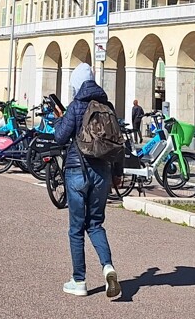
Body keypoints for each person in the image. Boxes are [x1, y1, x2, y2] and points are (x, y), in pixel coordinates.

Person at [51, 62, 121, 299]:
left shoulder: (76, 105)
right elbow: (118, 143)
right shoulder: (107, 106)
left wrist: (59, 120)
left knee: (76, 228)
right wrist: (117, 174)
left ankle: (79, 280)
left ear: (76, 83)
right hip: (102, 173)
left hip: (76, 170)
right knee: (96, 224)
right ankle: (108, 267)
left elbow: (60, 137)